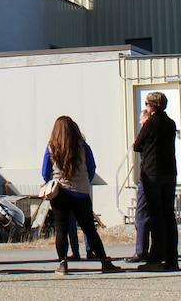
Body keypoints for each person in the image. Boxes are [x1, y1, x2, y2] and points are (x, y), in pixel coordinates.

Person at [41, 116, 123, 275]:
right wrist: (84, 180)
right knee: (89, 229)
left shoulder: (52, 147)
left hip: (60, 192)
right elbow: (92, 167)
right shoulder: (83, 146)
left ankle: (63, 263)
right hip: (81, 192)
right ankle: (104, 261)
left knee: (61, 229)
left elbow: (45, 172)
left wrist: (51, 180)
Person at [133, 92, 179, 272]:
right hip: (169, 171)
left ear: (151, 105)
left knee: (156, 216)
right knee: (169, 215)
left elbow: (137, 145)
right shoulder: (171, 123)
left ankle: (155, 258)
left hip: (152, 172)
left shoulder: (151, 122)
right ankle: (171, 258)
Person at [127, 109, 151, 263]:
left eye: (141, 119)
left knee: (141, 214)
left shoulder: (148, 130)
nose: (139, 122)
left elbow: (137, 145)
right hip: (162, 176)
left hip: (148, 177)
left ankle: (141, 251)